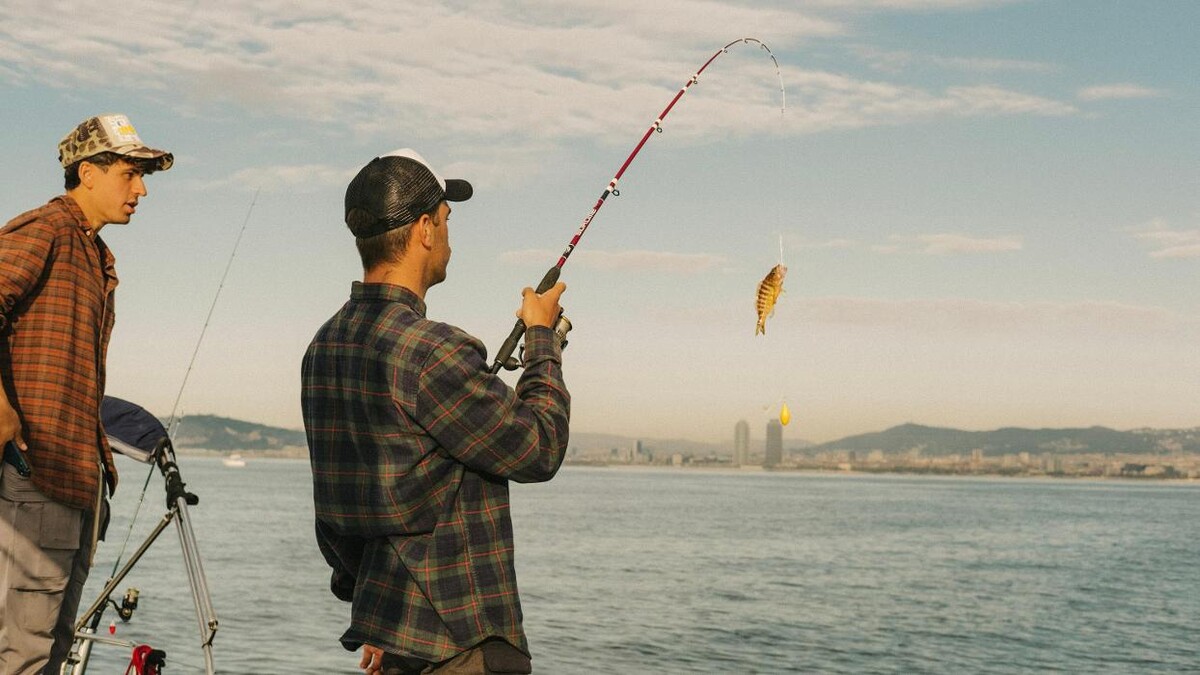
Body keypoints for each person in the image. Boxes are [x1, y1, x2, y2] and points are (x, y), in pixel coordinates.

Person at [302, 148, 570, 675]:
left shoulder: (322, 349)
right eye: (447, 221)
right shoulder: (432, 351)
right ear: (424, 229)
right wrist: (543, 339)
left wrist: (376, 609)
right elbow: (540, 448)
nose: (449, 235)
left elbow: (336, 517)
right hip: (463, 643)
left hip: (392, 637)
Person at [0, 113, 173, 673]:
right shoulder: (47, 229)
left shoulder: (96, 255)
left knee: (51, 651)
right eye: (131, 173)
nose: (141, 189)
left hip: (74, 483)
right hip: (37, 480)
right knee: (23, 655)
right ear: (89, 172)